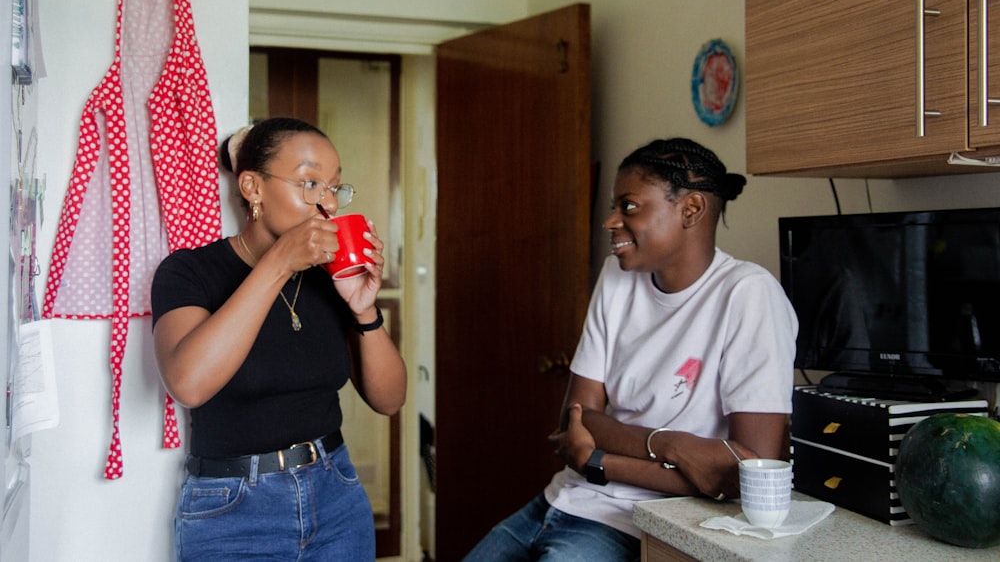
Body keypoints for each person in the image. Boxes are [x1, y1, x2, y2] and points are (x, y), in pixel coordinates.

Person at [464, 138, 797, 561]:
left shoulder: (749, 295)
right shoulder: (618, 276)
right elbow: (575, 420)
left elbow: (750, 474)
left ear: (691, 209)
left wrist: (599, 462)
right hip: (561, 501)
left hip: (637, 522)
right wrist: (675, 446)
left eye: (629, 207)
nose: (610, 221)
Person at [151, 117, 406, 561]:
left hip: (336, 495)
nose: (327, 204)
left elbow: (390, 399)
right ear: (253, 187)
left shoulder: (329, 281)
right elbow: (188, 383)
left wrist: (364, 308)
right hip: (231, 511)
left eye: (334, 188)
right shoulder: (189, 271)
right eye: (309, 184)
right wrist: (280, 263)